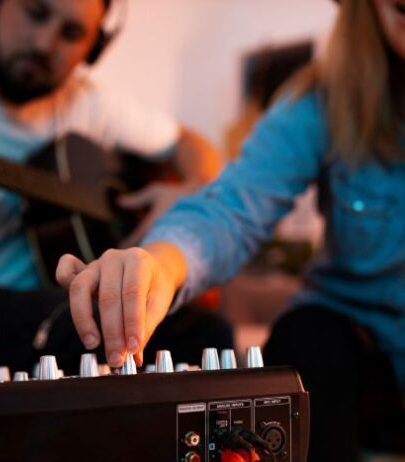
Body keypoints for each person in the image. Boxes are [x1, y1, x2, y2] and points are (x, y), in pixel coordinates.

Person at [57, 0, 404, 459]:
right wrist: (161, 264)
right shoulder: (319, 102)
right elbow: (235, 207)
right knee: (307, 340)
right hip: (355, 345)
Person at [0, 0, 233, 377]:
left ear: (94, 49)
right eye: (36, 13)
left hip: (38, 304)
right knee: (97, 329)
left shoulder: (87, 103)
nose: (45, 43)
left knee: (203, 332)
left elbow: (192, 145)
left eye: (72, 34)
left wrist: (192, 188)